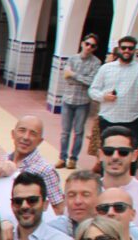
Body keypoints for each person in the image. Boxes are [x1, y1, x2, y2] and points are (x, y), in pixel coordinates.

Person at [88, 35, 138, 142]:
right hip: (108, 117)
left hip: (130, 119)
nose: (126, 50)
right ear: (118, 49)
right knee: (108, 152)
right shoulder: (106, 68)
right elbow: (92, 90)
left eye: (130, 48)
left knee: (129, 154)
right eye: (123, 48)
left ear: (134, 50)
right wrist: (103, 96)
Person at [57, 34, 101, 170]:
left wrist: (74, 75)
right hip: (68, 99)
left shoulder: (96, 63)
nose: (89, 47)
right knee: (65, 132)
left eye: (92, 45)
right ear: (82, 43)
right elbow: (66, 77)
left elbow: (91, 82)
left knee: (79, 132)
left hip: (83, 102)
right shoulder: (72, 59)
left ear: (95, 48)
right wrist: (80, 78)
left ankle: (73, 159)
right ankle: (62, 157)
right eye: (87, 44)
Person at [8, 116, 65, 214]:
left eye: (33, 133)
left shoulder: (46, 171)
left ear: (40, 141)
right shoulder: (5, 159)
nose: (26, 137)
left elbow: (58, 209)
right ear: (13, 134)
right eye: (22, 130)